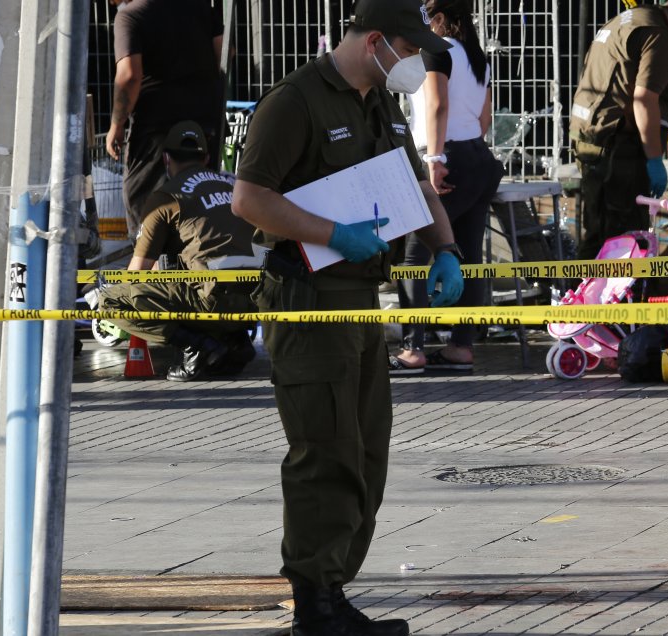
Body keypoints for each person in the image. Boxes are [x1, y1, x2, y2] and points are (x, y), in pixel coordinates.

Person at [229, 1, 464, 634]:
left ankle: (334, 591)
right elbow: (249, 199)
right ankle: (315, 606)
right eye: (411, 51)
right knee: (324, 452)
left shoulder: (379, 102)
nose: (416, 63)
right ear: (377, 42)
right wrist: (332, 231)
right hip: (307, 302)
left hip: (360, 301)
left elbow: (413, 181)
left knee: (365, 453)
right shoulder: (295, 101)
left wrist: (445, 248)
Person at [390, 0, 504, 375]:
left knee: (414, 253)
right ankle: (460, 346)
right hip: (478, 157)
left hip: (446, 156)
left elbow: (436, 105)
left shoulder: (436, 50)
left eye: (426, 17)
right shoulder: (476, 55)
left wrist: (435, 160)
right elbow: (485, 116)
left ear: (438, 19)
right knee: (469, 254)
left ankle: (413, 349)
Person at [100, 121, 260, 381]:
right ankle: (233, 339)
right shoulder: (234, 185)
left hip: (214, 302)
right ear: (207, 157)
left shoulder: (166, 197)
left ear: (166, 159)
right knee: (186, 273)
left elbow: (136, 274)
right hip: (256, 301)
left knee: (113, 300)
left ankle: (196, 346)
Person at [569, 0, 668, 260]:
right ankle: (607, 299)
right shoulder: (659, 35)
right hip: (615, 149)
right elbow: (644, 100)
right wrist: (655, 159)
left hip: (592, 138)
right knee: (621, 242)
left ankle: (585, 296)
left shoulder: (627, 20)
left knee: (599, 235)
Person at [106, 0, 224, 238]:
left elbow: (129, 75)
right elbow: (225, 53)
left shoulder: (130, 16)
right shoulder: (198, 6)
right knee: (197, 211)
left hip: (157, 132)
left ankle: (151, 272)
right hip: (205, 125)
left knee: (147, 217)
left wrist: (116, 126)